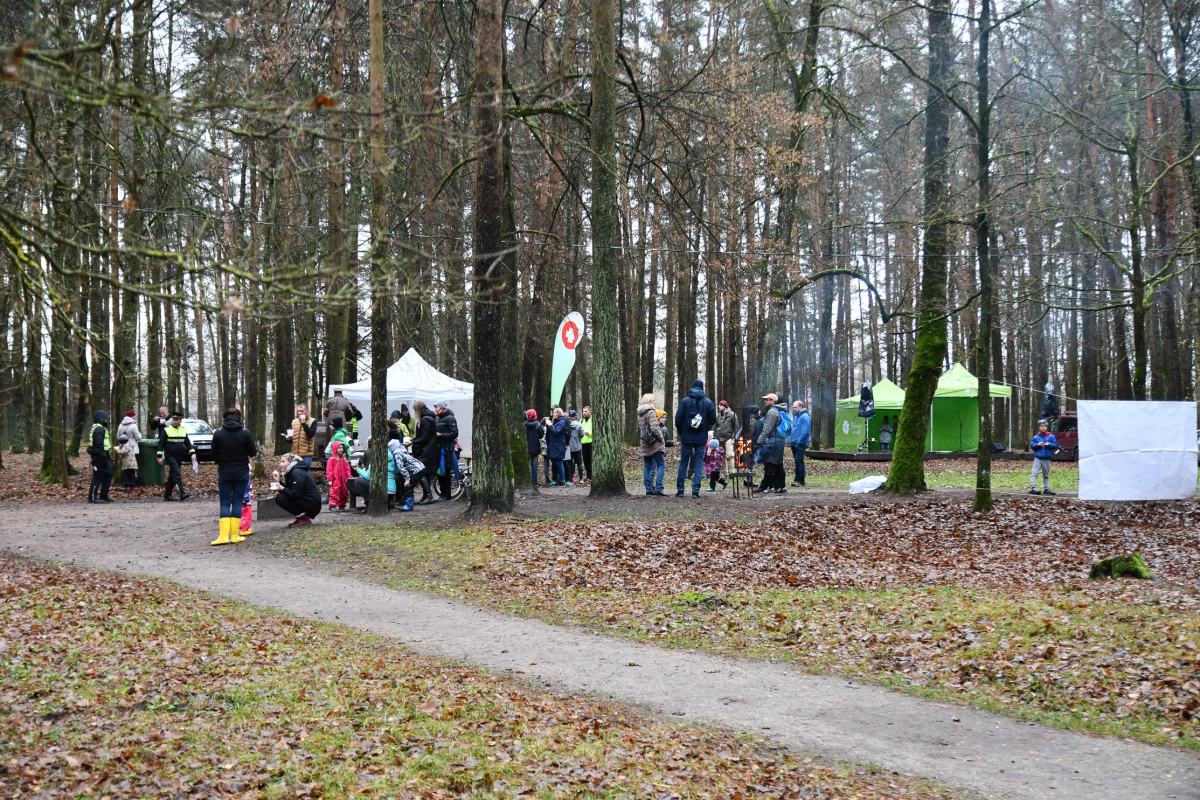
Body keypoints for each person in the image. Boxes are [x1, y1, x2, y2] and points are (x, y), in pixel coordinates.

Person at [210, 407, 257, 545]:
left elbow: (213, 454)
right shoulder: (245, 432)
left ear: (225, 418)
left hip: (224, 473)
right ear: (239, 417)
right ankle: (235, 535)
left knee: (224, 503)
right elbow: (252, 452)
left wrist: (221, 460)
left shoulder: (218, 433)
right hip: (242, 473)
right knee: (237, 501)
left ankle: (223, 536)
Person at [674, 379, 717, 498]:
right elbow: (713, 420)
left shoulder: (685, 401)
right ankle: (695, 491)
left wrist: (682, 432)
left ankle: (680, 490)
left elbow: (678, 419)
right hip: (701, 438)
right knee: (698, 463)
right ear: (702, 388)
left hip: (686, 437)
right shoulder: (707, 402)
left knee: (683, 462)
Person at [157, 410, 197, 501]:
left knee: (173, 475)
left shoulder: (183, 430)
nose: (175, 421)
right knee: (177, 473)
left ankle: (167, 495)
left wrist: (193, 454)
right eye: (174, 419)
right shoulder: (167, 430)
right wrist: (159, 456)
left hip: (179, 456)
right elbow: (161, 444)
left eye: (177, 419)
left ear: (180, 421)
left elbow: (188, 444)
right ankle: (182, 493)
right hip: (170, 455)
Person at [346, 440, 395, 512]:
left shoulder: (377, 459)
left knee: (358, 481)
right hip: (392, 490)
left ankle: (369, 503)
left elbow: (368, 476)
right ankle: (388, 502)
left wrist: (358, 470)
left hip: (382, 490)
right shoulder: (390, 456)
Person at [274, 454, 322, 526]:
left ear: (291, 462)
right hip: (307, 501)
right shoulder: (292, 472)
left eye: (283, 462)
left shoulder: (297, 472)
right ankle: (301, 518)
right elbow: (290, 490)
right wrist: (278, 481)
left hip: (312, 504)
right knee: (281, 497)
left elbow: (295, 494)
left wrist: (282, 489)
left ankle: (303, 518)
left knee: (281, 498)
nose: (280, 464)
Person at [637, 394, 666, 496]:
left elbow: (638, 429)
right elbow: (654, 428)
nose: (655, 402)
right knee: (661, 464)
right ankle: (659, 488)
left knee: (647, 467)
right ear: (649, 401)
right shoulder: (651, 411)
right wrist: (661, 439)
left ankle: (649, 489)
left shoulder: (640, 413)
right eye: (653, 400)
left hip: (645, 443)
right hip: (655, 443)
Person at [757, 393, 786, 494]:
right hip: (780, 441)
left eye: (767, 400)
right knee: (778, 465)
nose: (765, 401)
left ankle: (768, 486)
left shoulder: (772, 412)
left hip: (773, 441)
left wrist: (759, 440)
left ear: (773, 401)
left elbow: (767, 429)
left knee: (770, 464)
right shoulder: (780, 410)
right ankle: (780, 486)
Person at [411, 401, 439, 504]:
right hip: (428, 449)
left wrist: (413, 441)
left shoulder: (425, 420)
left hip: (426, 450)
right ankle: (427, 495)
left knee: (420, 471)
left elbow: (424, 437)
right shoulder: (429, 418)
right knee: (424, 472)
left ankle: (428, 495)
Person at [390, 438, 426, 512]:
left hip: (416, 470)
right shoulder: (401, 449)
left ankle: (409, 505)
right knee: (410, 485)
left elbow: (401, 468)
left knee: (408, 486)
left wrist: (407, 479)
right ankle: (408, 504)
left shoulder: (397, 454)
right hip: (420, 467)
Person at [433, 401, 459, 500]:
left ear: (442, 408)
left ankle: (446, 494)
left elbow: (454, 433)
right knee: (439, 471)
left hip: (446, 449)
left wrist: (442, 435)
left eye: (437, 407)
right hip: (438, 448)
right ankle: (442, 493)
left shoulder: (450, 418)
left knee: (446, 471)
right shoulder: (437, 418)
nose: (435, 409)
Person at [87, 410, 113, 504]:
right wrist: (102, 456)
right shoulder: (99, 429)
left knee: (108, 474)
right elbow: (98, 444)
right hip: (99, 455)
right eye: (106, 418)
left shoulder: (101, 428)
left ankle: (104, 495)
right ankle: (92, 498)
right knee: (98, 476)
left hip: (103, 454)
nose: (107, 420)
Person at [1030, 420, 1058, 496]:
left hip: (1047, 458)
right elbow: (1032, 446)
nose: (1043, 428)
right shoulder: (1036, 437)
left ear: (1047, 427)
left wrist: (1049, 444)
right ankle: (1033, 487)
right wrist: (1037, 445)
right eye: (1041, 426)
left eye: (1044, 426)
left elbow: (1055, 445)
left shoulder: (1051, 436)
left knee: (1046, 474)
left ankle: (1046, 488)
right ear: (1039, 427)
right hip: (1038, 458)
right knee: (1034, 473)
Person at [287, 403, 317, 470]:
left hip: (306, 455)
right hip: (294, 455)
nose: (300, 413)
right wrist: (288, 439)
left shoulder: (313, 421)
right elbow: (293, 439)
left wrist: (303, 423)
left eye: (302, 411)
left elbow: (310, 434)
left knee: (303, 475)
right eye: (298, 411)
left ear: (307, 411)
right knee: (294, 475)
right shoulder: (294, 422)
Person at [714, 400, 739, 477]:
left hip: (728, 437)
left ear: (725, 406)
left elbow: (736, 426)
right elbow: (715, 426)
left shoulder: (732, 415)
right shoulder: (718, 416)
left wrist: (733, 437)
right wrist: (714, 436)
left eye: (720, 405)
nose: (719, 407)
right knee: (722, 456)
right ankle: (725, 473)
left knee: (730, 455)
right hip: (719, 438)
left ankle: (732, 472)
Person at [545, 407, 569, 486]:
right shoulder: (555, 421)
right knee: (554, 463)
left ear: (559, 413)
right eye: (553, 412)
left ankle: (562, 480)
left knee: (559, 462)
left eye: (555, 412)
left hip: (558, 445)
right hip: (553, 445)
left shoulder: (562, 421)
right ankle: (556, 479)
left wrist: (550, 425)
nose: (553, 413)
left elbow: (557, 432)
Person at [326, 440, 352, 511]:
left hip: (343, 479)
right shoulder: (332, 459)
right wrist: (330, 479)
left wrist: (349, 477)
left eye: (342, 448)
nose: (341, 449)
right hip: (335, 479)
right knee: (335, 491)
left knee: (344, 492)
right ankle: (332, 506)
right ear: (335, 449)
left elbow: (347, 469)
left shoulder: (344, 459)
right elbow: (329, 470)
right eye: (339, 448)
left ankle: (342, 505)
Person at [790, 400, 811, 487]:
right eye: (793, 407)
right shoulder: (797, 417)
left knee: (798, 461)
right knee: (799, 461)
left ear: (801, 407)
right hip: (795, 442)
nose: (793, 409)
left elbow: (805, 432)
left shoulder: (805, 417)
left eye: (795, 407)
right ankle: (802, 480)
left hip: (800, 443)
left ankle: (797, 480)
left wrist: (799, 442)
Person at [525, 409, 543, 487]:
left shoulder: (524, 424)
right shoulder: (538, 425)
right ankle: (534, 481)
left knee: (526, 464)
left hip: (526, 446)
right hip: (535, 446)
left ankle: (527, 481)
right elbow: (541, 435)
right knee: (534, 464)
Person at [567, 410, 584, 484]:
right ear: (575, 416)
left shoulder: (566, 424)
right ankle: (581, 479)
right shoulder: (579, 424)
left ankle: (570, 478)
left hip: (568, 447)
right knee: (579, 463)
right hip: (577, 446)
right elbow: (582, 435)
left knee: (570, 463)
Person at [580, 407, 593, 482]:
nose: (584, 413)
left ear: (590, 412)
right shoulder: (581, 420)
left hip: (591, 442)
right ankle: (588, 476)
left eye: (586, 411)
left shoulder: (592, 420)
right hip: (583, 443)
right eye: (583, 411)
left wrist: (589, 433)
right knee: (586, 460)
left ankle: (592, 475)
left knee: (591, 460)